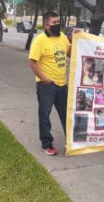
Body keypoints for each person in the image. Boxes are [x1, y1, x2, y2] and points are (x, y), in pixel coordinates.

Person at [28, 11, 71, 156]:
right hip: (46, 85)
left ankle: (70, 141)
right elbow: (32, 62)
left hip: (62, 84)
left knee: (67, 115)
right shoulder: (40, 41)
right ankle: (46, 144)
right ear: (47, 26)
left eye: (59, 21)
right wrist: (44, 78)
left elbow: (70, 52)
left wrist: (78, 38)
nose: (58, 24)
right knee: (45, 115)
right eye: (54, 22)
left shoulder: (63, 37)